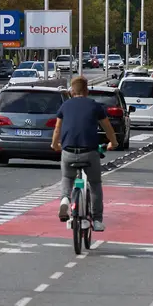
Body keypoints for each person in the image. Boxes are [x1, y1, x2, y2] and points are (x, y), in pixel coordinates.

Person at [50, 76, 118, 232]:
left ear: (71, 92)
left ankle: (65, 199)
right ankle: (97, 220)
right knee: (95, 183)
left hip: (68, 152)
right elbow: (107, 127)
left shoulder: (65, 106)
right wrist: (113, 143)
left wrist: (55, 145)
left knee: (67, 177)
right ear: (86, 91)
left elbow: (57, 129)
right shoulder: (95, 106)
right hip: (89, 152)